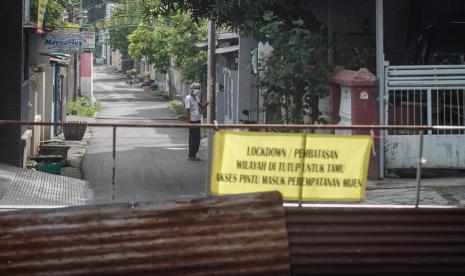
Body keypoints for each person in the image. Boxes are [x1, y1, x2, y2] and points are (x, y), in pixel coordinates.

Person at [185, 82, 208, 161]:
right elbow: (187, 110)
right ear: (192, 89)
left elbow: (201, 106)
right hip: (192, 121)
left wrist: (206, 103)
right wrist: (188, 122)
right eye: (196, 88)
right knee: (193, 139)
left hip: (197, 120)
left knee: (197, 139)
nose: (197, 90)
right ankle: (191, 155)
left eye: (198, 88)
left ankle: (194, 155)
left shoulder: (195, 97)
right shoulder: (188, 98)